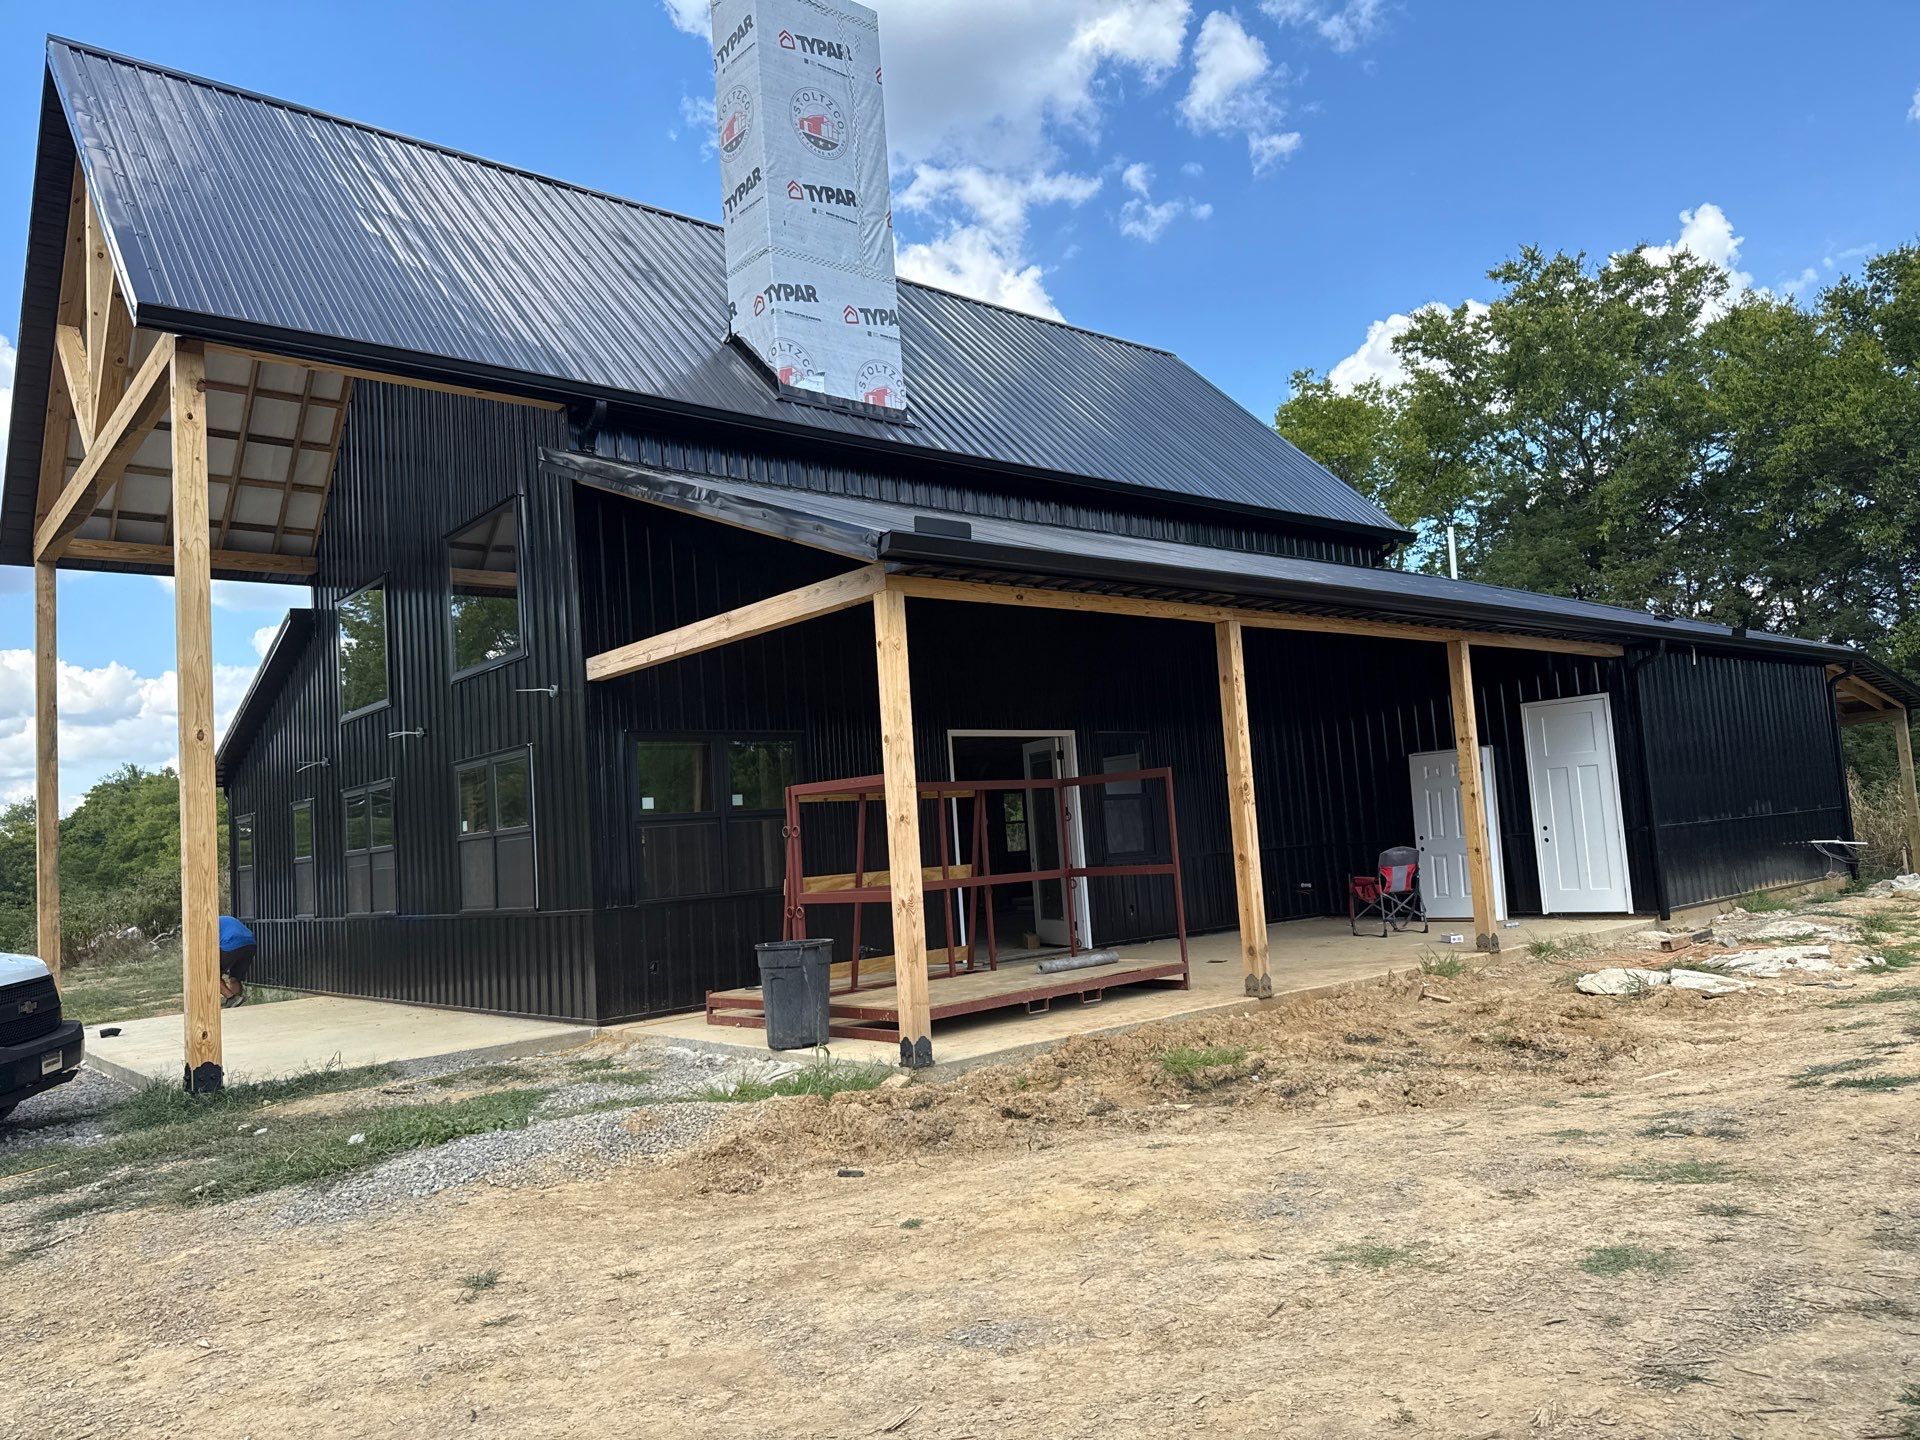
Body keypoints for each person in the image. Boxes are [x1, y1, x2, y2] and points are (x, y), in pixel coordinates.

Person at [219, 915, 257, 1008]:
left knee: (211, 975)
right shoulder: (224, 919)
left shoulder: (207, 923)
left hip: (231, 942)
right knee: (235, 978)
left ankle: (231, 998)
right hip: (250, 943)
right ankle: (236, 1005)